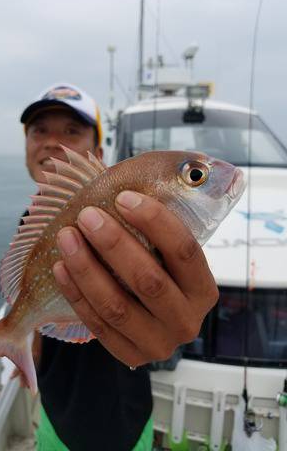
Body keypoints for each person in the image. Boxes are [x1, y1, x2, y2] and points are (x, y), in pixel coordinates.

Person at [14, 83, 218, 451]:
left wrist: (174, 317)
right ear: (27, 144)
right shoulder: (31, 221)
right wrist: (26, 347)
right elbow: (37, 301)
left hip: (124, 418)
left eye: (71, 130)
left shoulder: (132, 205)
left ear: (97, 149)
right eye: (39, 130)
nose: (50, 140)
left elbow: (170, 278)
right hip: (52, 409)